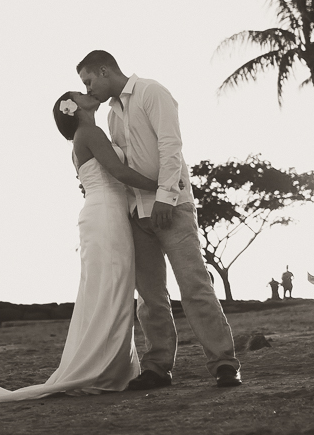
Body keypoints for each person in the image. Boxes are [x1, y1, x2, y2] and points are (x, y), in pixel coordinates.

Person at [0, 90, 162, 404]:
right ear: (74, 108)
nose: (89, 92)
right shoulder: (89, 132)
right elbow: (118, 172)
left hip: (103, 213)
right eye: (80, 92)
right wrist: (165, 184)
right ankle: (103, 368)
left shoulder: (85, 136)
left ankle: (111, 366)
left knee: (107, 289)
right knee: (110, 288)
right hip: (105, 216)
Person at [78, 50, 242, 389]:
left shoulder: (152, 92)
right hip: (136, 214)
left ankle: (225, 364)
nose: (89, 89)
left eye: (89, 81)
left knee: (195, 286)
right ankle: (157, 367)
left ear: (105, 70)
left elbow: (171, 146)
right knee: (150, 298)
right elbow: (120, 168)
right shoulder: (109, 117)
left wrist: (166, 197)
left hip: (172, 208)